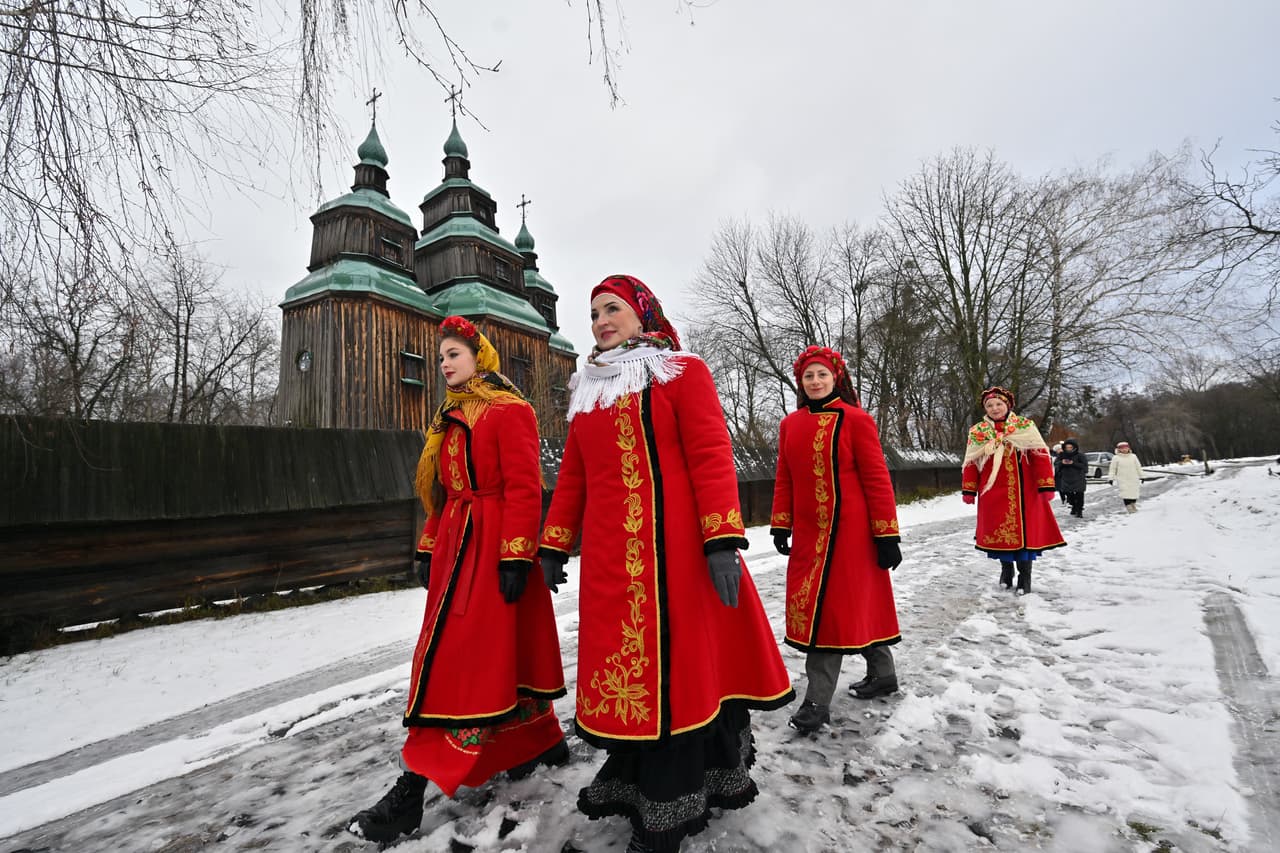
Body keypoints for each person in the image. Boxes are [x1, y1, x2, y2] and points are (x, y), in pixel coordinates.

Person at [538, 275, 794, 853]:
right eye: (594, 312)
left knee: (680, 677)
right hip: (613, 563)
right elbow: (574, 475)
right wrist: (554, 543)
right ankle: (639, 785)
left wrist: (722, 540)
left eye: (613, 309)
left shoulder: (680, 371)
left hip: (679, 558)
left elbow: (709, 454)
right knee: (631, 680)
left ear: (642, 314)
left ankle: (668, 816)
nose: (601, 321)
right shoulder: (587, 388)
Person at [348, 316, 567, 844]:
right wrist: (428, 546)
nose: (445, 363)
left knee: (462, 666)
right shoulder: (447, 417)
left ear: (479, 356)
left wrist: (517, 554)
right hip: (455, 548)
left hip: (493, 551)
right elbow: (443, 493)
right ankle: (533, 745)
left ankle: (412, 788)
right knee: (481, 658)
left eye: (454, 354)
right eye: (441, 356)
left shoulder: (510, 410)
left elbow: (522, 485)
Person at [770, 345, 904, 735]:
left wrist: (886, 533)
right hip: (812, 536)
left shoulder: (856, 420)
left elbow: (877, 478)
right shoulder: (790, 425)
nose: (814, 382)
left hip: (853, 536)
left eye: (821, 375)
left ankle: (817, 702)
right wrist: (781, 523)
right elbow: (785, 477)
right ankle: (884, 674)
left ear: (836, 378)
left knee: (833, 614)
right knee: (850, 609)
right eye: (808, 376)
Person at [961, 387, 1065, 594]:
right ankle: (1006, 570)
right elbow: (971, 462)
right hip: (992, 493)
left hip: (1025, 492)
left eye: (999, 404)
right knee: (999, 535)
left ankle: (1025, 577)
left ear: (1007, 405)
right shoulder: (978, 431)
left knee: (1027, 534)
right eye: (990, 405)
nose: (995, 408)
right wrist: (969, 489)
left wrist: (1046, 484)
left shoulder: (1024, 426)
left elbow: (1040, 455)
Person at [1054, 438, 1088, 517]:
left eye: (1070, 447)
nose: (1068, 449)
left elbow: (1085, 467)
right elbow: (1056, 465)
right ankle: (1074, 506)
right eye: (1067, 447)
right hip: (1066, 479)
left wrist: (1073, 463)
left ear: (1074, 447)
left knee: (1079, 495)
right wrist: (1062, 463)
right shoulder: (1061, 456)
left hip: (1078, 478)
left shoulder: (1080, 455)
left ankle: (1079, 510)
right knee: (1069, 495)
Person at [1108, 440, 1144, 512]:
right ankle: (1129, 507)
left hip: (1133, 478)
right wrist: (1111, 478)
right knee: (1125, 493)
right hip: (1122, 479)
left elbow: (1138, 467)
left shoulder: (1133, 456)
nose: (1124, 449)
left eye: (1125, 448)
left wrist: (1142, 476)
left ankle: (1133, 504)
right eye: (1122, 448)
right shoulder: (1116, 458)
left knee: (1134, 493)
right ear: (1119, 449)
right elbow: (1112, 469)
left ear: (1128, 448)